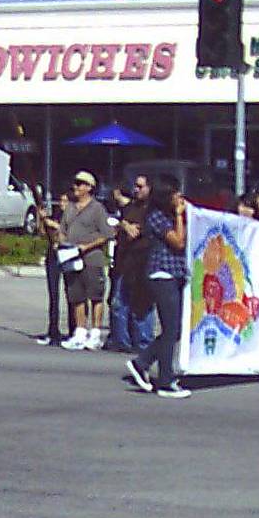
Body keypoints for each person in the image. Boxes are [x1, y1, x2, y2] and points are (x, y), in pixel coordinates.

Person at [125, 174, 192, 399]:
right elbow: (178, 242)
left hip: (175, 274)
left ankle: (142, 362)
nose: (179, 197)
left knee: (176, 329)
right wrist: (180, 217)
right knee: (171, 328)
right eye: (175, 193)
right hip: (161, 274)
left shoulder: (168, 215)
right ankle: (165, 380)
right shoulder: (156, 218)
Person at [59, 171, 114, 351]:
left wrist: (87, 246)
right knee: (76, 295)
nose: (76, 187)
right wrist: (62, 242)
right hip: (71, 258)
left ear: (89, 187)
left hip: (92, 259)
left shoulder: (97, 209)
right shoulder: (70, 208)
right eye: (75, 183)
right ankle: (80, 331)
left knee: (95, 296)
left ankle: (95, 333)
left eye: (81, 183)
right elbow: (63, 229)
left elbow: (107, 234)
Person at [108, 175, 156, 353]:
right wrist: (123, 224)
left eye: (140, 186)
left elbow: (140, 231)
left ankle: (143, 343)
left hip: (144, 264)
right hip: (124, 263)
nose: (136, 189)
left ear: (149, 188)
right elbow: (120, 225)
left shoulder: (153, 210)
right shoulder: (129, 208)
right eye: (135, 186)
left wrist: (130, 227)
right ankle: (121, 341)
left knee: (142, 306)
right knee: (119, 303)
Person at [36, 192, 72, 346]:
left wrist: (52, 223)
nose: (62, 204)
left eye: (66, 201)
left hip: (68, 256)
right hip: (53, 256)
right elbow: (44, 232)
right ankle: (53, 330)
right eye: (61, 201)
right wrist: (41, 218)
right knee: (53, 295)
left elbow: (68, 233)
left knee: (71, 294)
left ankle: (74, 329)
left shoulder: (73, 217)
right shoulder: (55, 215)